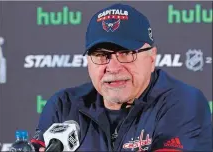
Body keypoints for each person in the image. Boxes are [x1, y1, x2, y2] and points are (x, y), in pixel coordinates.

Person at [31, 3, 212, 152]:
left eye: (126, 53)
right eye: (102, 55)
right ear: (88, 62)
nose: (113, 67)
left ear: (151, 57)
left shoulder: (184, 102)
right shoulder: (64, 105)